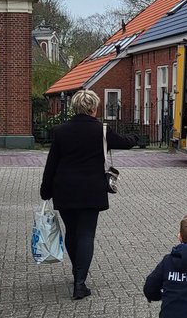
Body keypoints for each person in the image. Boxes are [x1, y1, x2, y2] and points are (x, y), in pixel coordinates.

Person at [40, 89, 137, 300]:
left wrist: (45, 189)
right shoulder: (101, 130)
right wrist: (135, 136)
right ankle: (80, 282)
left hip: (64, 188)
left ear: (74, 107)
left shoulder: (61, 131)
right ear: (94, 108)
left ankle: (77, 271)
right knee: (86, 234)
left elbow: (52, 162)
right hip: (91, 190)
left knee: (72, 232)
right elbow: (125, 142)